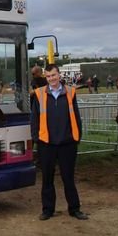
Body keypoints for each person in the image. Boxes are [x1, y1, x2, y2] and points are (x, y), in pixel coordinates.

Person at [31, 64, 88, 221]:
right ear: (45, 77)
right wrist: (37, 139)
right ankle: (48, 209)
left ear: (59, 75)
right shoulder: (38, 94)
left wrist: (77, 137)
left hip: (67, 143)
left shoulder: (70, 92)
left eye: (54, 76)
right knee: (47, 179)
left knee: (68, 178)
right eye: (48, 77)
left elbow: (76, 116)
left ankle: (74, 209)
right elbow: (34, 119)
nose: (51, 79)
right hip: (46, 143)